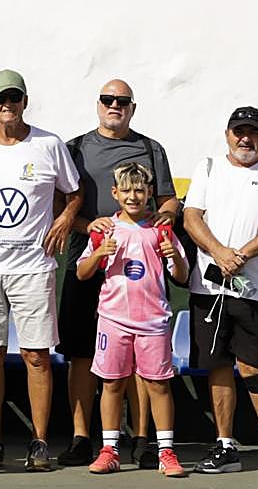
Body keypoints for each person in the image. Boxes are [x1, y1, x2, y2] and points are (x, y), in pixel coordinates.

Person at [0, 69, 80, 471]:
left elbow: (73, 194)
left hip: (34, 268)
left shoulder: (49, 145)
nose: (7, 105)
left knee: (36, 356)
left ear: (25, 101)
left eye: (14, 98)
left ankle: (39, 442)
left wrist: (64, 220)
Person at [57, 79, 179, 469]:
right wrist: (90, 229)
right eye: (108, 99)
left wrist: (167, 219)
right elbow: (63, 205)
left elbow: (169, 199)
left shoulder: (150, 149)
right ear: (98, 104)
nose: (115, 106)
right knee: (81, 351)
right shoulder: (74, 148)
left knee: (144, 355)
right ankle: (81, 437)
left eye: (122, 101)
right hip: (91, 255)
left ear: (132, 107)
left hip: (141, 263)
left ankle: (144, 439)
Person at [184, 106, 258, 479]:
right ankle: (225, 446)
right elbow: (191, 217)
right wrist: (219, 254)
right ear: (228, 134)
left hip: (257, 291)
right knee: (217, 365)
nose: (245, 138)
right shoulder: (208, 168)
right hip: (209, 289)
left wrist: (241, 255)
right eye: (239, 131)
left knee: (253, 368)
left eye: (253, 132)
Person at [75, 163, 188, 477]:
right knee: (112, 384)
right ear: (115, 193)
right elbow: (83, 273)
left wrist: (174, 256)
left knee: (158, 385)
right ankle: (109, 450)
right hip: (113, 320)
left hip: (153, 321)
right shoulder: (104, 230)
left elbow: (181, 274)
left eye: (139, 190)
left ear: (150, 193)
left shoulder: (161, 229)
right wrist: (99, 255)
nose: (133, 196)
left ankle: (166, 452)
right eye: (126, 190)